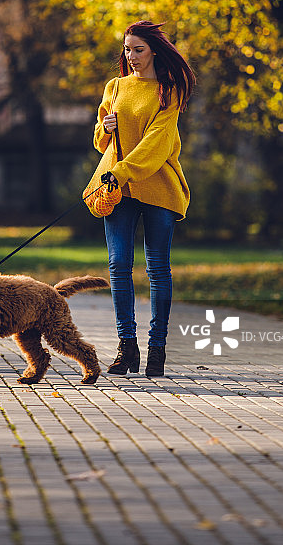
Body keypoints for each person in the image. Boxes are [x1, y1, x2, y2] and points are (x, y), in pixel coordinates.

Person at [90, 20, 195, 377]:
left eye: (138, 49)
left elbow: (156, 144)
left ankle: (158, 348)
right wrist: (104, 129)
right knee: (119, 266)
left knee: (157, 268)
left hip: (157, 186)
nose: (131, 56)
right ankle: (126, 346)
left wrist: (122, 171)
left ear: (153, 51)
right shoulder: (115, 86)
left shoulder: (169, 90)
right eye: (127, 49)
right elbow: (99, 139)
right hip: (117, 188)